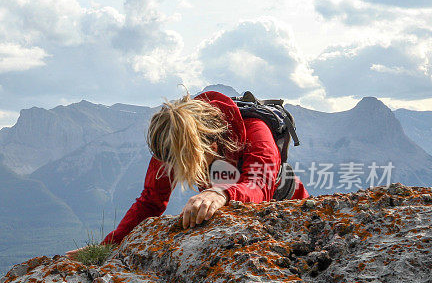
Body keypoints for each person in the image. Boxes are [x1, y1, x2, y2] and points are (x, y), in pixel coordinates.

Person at [67, 90, 309, 256]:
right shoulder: (172, 144)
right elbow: (151, 201)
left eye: (193, 165)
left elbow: (260, 186)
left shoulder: (257, 131)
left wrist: (219, 194)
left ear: (211, 146)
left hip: (292, 211)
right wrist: (107, 247)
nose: (191, 175)